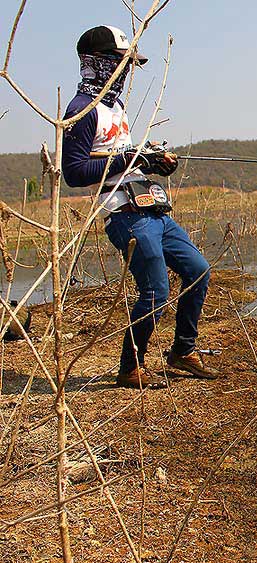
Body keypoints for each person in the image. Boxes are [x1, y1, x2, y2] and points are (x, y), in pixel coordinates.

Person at [62, 25, 219, 389]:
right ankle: (130, 368)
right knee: (156, 291)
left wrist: (152, 162)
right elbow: (74, 172)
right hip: (126, 218)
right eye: (121, 63)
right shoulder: (81, 110)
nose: (126, 71)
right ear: (98, 63)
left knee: (198, 270)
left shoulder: (114, 106)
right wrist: (129, 158)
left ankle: (183, 349)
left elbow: (123, 159)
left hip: (153, 211)